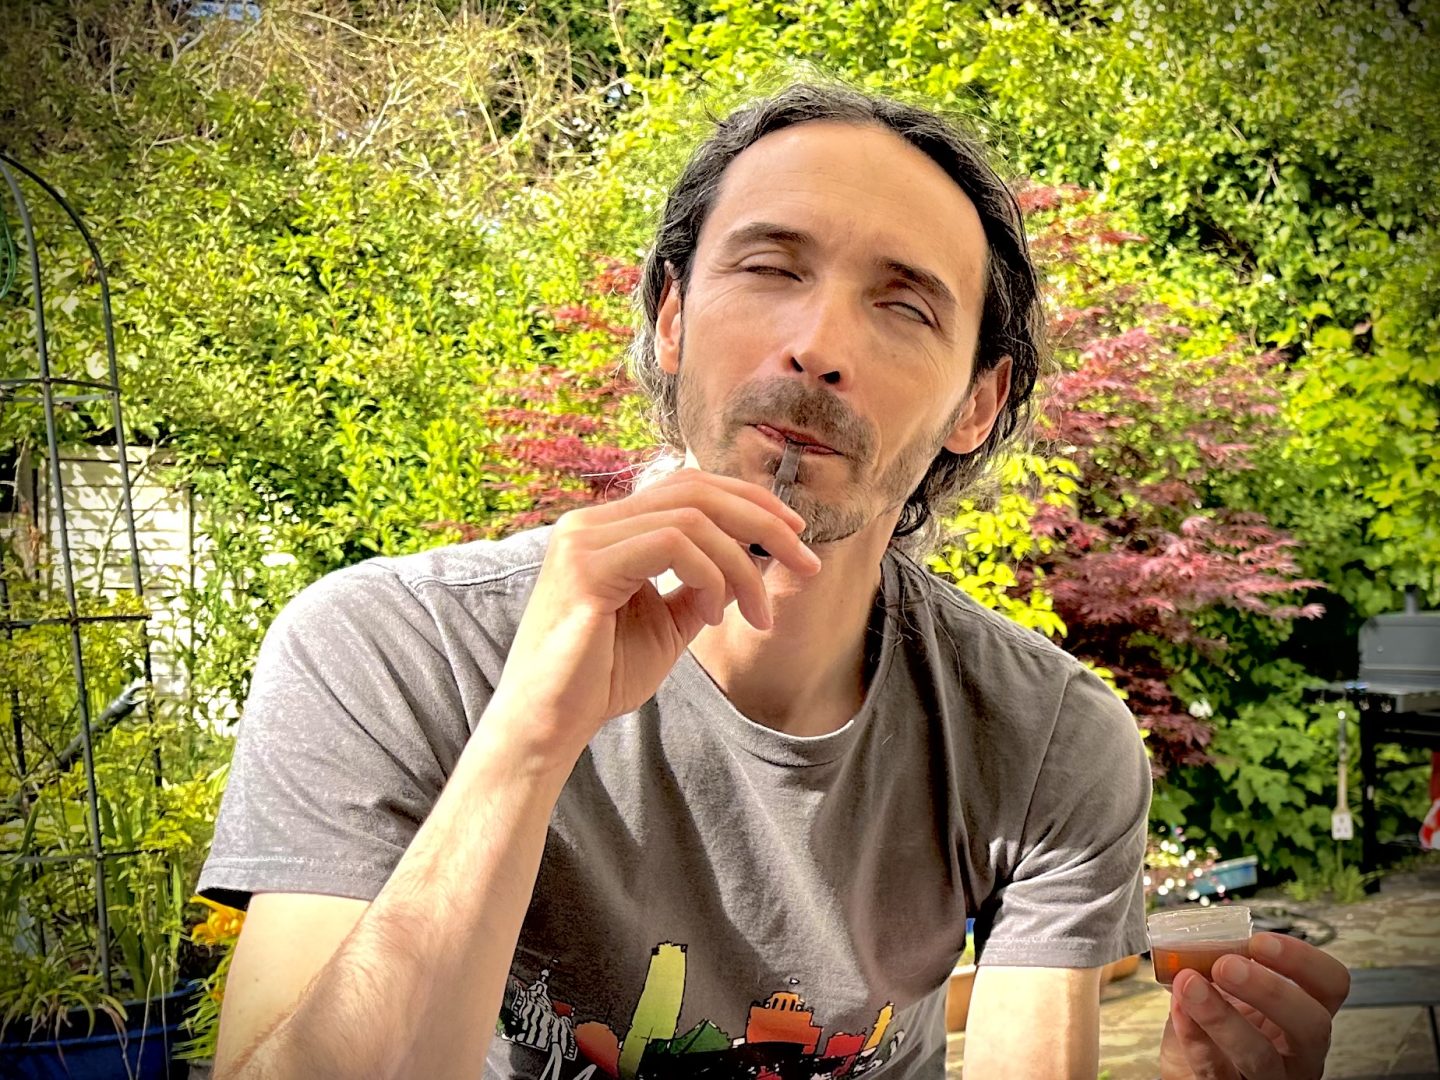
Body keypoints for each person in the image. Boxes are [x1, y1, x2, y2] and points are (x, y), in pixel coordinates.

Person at [198, 83, 1349, 1079]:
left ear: (976, 404)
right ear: (672, 320)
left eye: (904, 303)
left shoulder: (1045, 742)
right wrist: (528, 739)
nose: (816, 345)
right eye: (768, 266)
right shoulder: (388, 652)